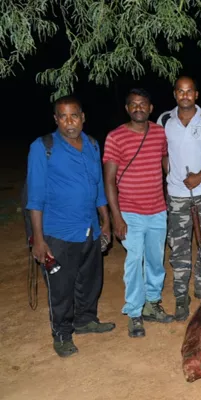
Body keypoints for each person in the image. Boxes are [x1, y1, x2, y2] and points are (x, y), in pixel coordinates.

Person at [26, 96, 115, 357]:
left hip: (89, 228)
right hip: (58, 233)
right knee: (61, 287)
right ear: (56, 119)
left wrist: (105, 221)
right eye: (63, 117)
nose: (69, 122)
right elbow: (35, 197)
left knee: (89, 280)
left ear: (83, 117)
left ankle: (86, 319)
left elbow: (98, 186)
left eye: (73, 116)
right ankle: (62, 334)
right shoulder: (43, 147)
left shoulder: (92, 145)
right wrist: (39, 240)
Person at [104, 88, 174, 338]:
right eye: (133, 104)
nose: (138, 108)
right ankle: (134, 311)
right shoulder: (116, 137)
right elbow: (109, 180)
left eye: (142, 104)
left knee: (156, 260)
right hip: (130, 212)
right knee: (134, 261)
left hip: (157, 209)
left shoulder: (159, 133)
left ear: (150, 107)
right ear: (126, 109)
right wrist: (117, 217)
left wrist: (174, 180)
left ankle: (152, 304)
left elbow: (165, 159)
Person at [157, 76, 201, 321]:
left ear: (196, 94)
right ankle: (181, 296)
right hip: (177, 195)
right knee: (179, 246)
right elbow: (161, 153)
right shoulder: (164, 120)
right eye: (180, 92)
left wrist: (200, 176)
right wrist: (170, 173)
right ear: (175, 95)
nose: (185, 96)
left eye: (189, 91)